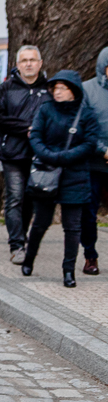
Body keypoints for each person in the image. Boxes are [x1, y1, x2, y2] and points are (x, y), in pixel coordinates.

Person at [20, 71, 99, 288]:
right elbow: (35, 136)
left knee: (72, 227)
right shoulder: (46, 110)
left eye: (63, 88)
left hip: (75, 176)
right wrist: (49, 155)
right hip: (47, 172)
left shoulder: (86, 114)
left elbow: (90, 143)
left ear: (74, 90)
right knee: (41, 222)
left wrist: (65, 157)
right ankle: (28, 259)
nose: (58, 92)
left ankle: (68, 271)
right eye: (56, 88)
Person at [0, 46, 49, 265]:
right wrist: (25, 128)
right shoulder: (5, 89)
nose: (29, 64)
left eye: (32, 60)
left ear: (40, 63)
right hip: (13, 153)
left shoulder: (49, 89)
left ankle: (22, 237)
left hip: (39, 154)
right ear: (17, 64)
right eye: (24, 60)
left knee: (30, 199)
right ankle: (16, 245)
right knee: (14, 198)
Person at [80, 46, 108, 275]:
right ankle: (90, 255)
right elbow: (83, 127)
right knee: (89, 213)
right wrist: (103, 150)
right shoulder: (87, 90)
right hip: (93, 163)